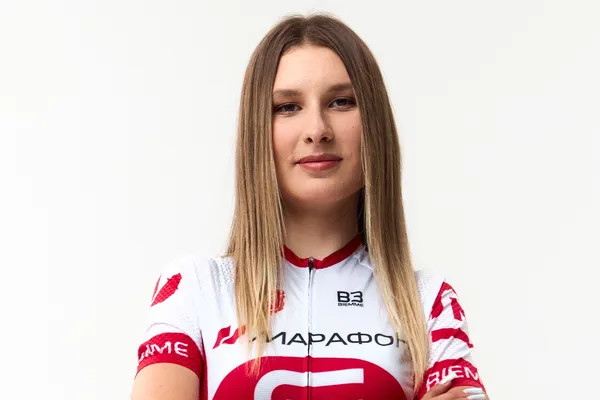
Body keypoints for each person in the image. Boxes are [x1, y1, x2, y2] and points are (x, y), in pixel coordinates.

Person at [130, 13, 488, 400]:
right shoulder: (194, 288)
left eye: (341, 102)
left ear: (375, 126)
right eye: (287, 106)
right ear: (257, 131)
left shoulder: (428, 301)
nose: (317, 129)